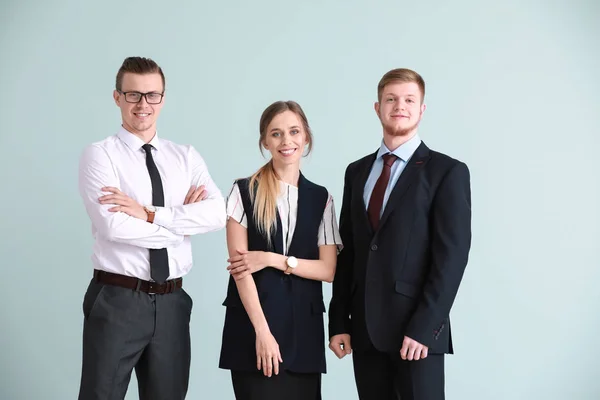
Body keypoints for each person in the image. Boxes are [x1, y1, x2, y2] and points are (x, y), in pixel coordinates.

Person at [77, 56, 226, 400]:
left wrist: (149, 214)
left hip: (173, 301)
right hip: (118, 299)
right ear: (117, 98)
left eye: (152, 95)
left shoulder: (185, 156)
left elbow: (218, 214)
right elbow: (114, 226)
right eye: (133, 95)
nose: (143, 104)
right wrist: (182, 223)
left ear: (163, 98)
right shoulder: (100, 156)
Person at [328, 68, 472, 400]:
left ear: (422, 109)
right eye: (391, 99)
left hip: (417, 333)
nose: (399, 106)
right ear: (377, 108)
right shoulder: (357, 171)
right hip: (364, 331)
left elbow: (451, 258)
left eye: (409, 99)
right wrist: (339, 320)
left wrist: (425, 328)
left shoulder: (446, 172)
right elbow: (347, 250)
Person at [218, 100, 342, 400]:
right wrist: (263, 333)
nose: (286, 141)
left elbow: (327, 270)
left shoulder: (321, 198)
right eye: (276, 134)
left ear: (306, 137)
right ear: (265, 141)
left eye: (294, 131)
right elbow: (240, 271)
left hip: (304, 334)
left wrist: (274, 259)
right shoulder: (243, 191)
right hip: (255, 333)